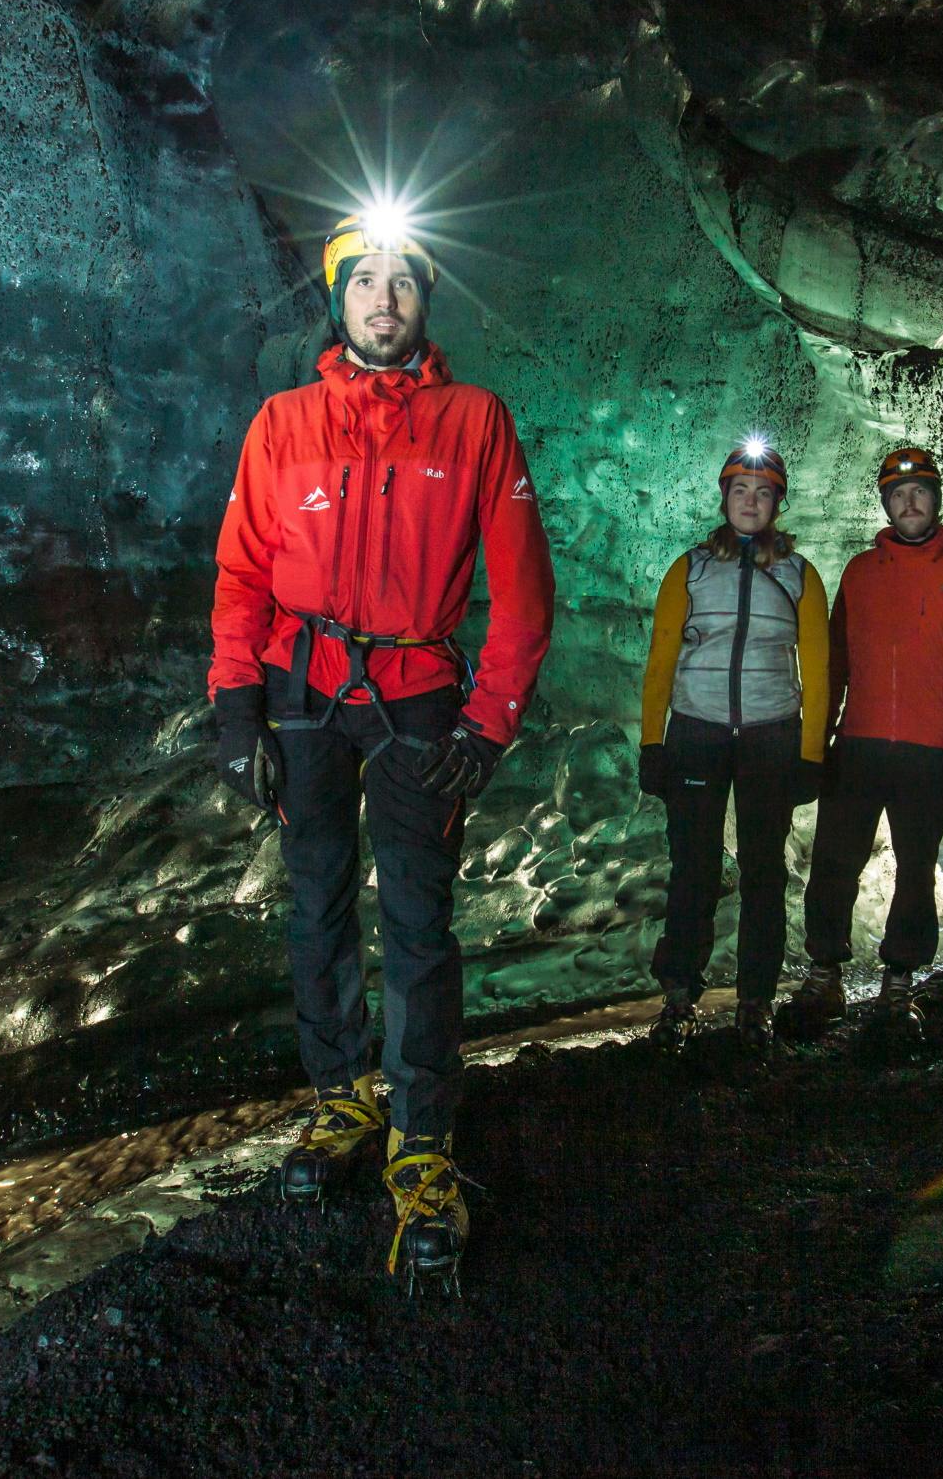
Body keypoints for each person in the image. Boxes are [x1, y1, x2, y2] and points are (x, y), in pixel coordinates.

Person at [207, 210, 555, 1291]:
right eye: (365, 279)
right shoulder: (282, 422)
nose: (384, 297)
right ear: (339, 297)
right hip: (304, 686)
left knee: (416, 916)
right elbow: (243, 572)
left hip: (416, 691)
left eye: (403, 279)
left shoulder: (474, 420)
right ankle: (339, 1098)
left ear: (424, 299)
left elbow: (523, 589)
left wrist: (488, 721)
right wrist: (235, 703)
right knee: (315, 901)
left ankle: (422, 1135)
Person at [782, 446, 943, 1042]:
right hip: (859, 744)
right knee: (834, 863)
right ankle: (824, 977)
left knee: (916, 868)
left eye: (919, 491)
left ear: (935, 500)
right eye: (898, 494)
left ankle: (898, 984)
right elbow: (835, 662)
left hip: (933, 751)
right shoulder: (860, 572)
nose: (909, 502)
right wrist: (820, 738)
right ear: (886, 504)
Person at [636, 440, 830, 1057]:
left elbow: (818, 669)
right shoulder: (689, 569)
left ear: (777, 503)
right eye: (741, 491)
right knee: (693, 869)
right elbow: (661, 659)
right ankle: (679, 998)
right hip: (698, 731)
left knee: (763, 872)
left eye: (763, 492)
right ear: (725, 499)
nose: (751, 501)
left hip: (771, 735)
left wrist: (812, 753)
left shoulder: (800, 574)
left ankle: (755, 1002)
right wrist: (652, 740)